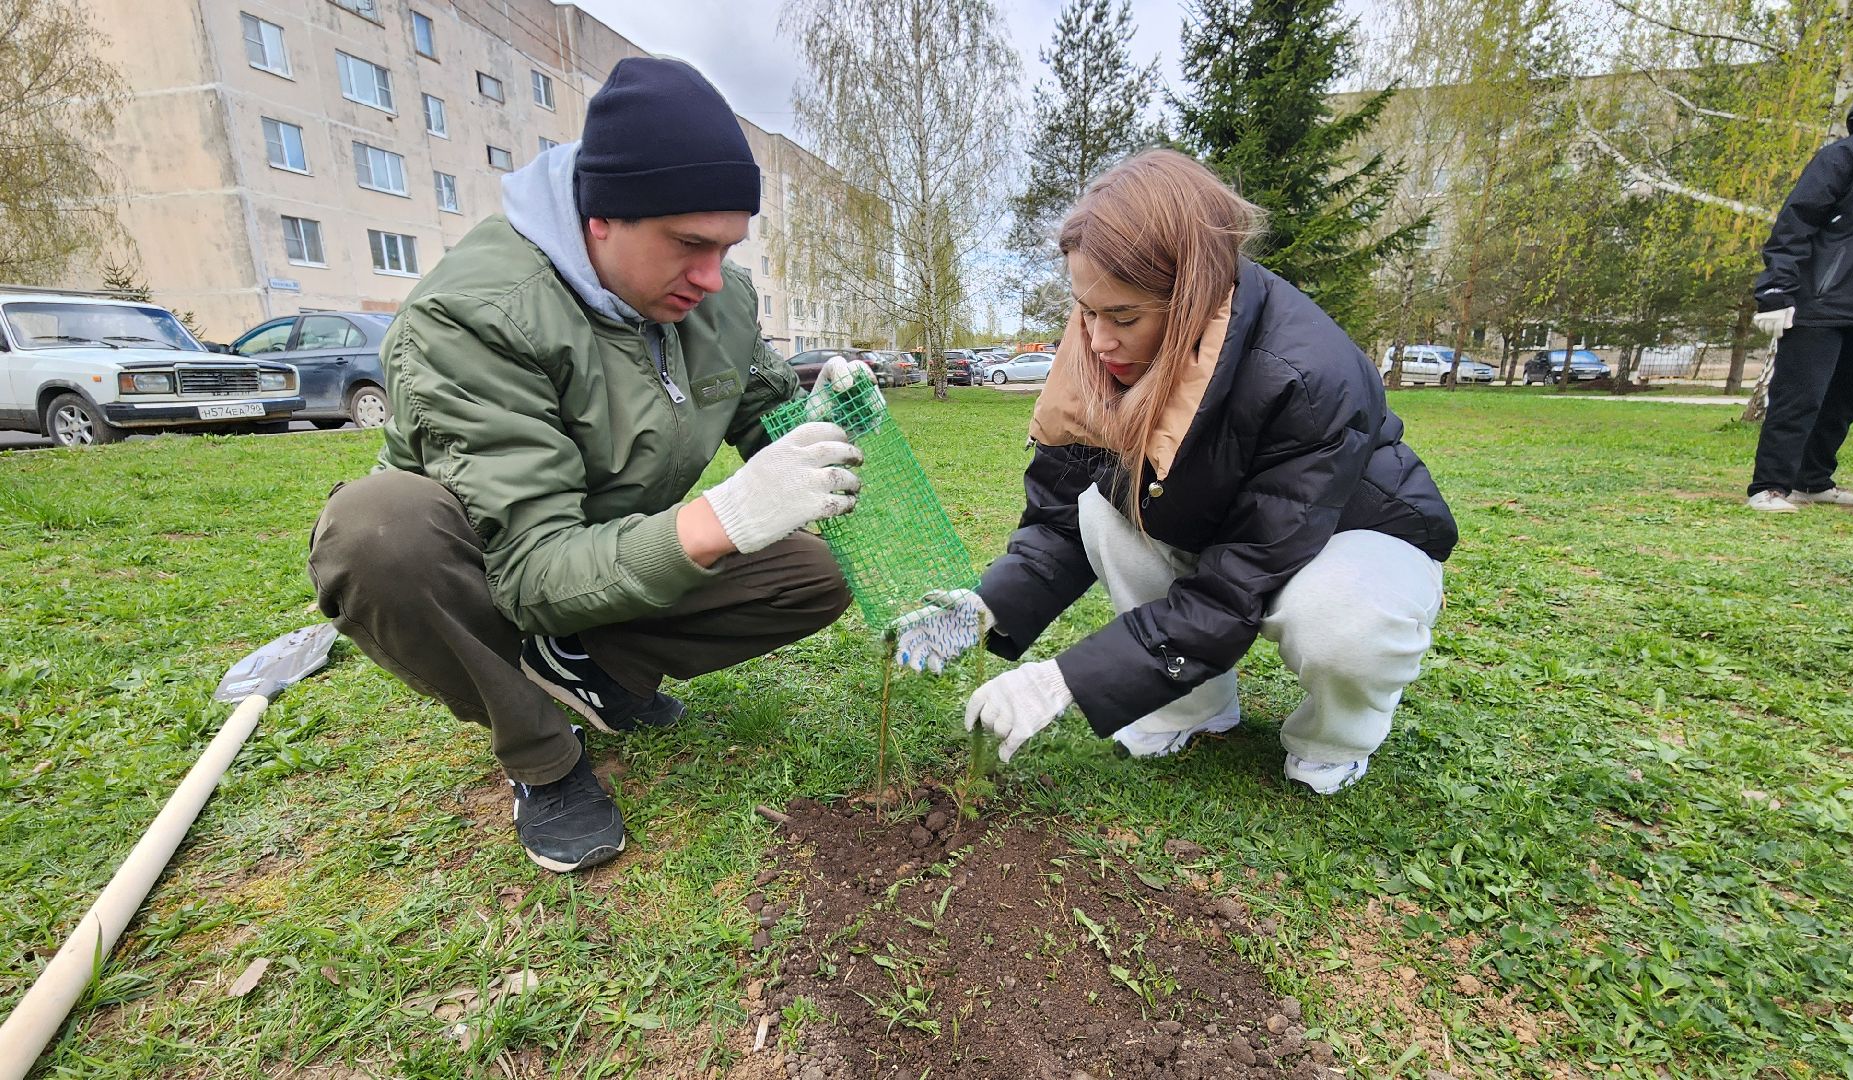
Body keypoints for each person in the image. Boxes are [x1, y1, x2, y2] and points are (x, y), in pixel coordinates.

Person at [307, 58, 864, 873]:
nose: (711, 278)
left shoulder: (718, 299)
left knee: (808, 575)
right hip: (489, 566)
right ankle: (545, 756)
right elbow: (532, 568)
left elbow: (765, 416)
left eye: (727, 247)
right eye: (688, 246)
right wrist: (728, 516)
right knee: (377, 533)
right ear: (601, 218)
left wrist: (830, 422)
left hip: (610, 545)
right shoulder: (473, 318)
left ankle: (594, 672)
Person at [895, 150, 1457, 793]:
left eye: (1125, 317)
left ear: (1193, 295)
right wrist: (979, 611)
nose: (1098, 340)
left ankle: (1336, 736)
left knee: (1339, 621)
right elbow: (1057, 521)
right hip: (1224, 534)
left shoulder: (1307, 374)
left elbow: (1233, 588)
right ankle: (1191, 707)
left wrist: (1067, 680)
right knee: (1096, 510)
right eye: (1086, 310)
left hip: (1352, 540)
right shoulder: (1097, 353)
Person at [1747, 42, 1853, 513]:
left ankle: (1812, 481)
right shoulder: (1846, 155)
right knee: (1799, 397)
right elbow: (1795, 225)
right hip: (1820, 300)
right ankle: (1771, 486)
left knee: (1845, 401)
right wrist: (1776, 291)